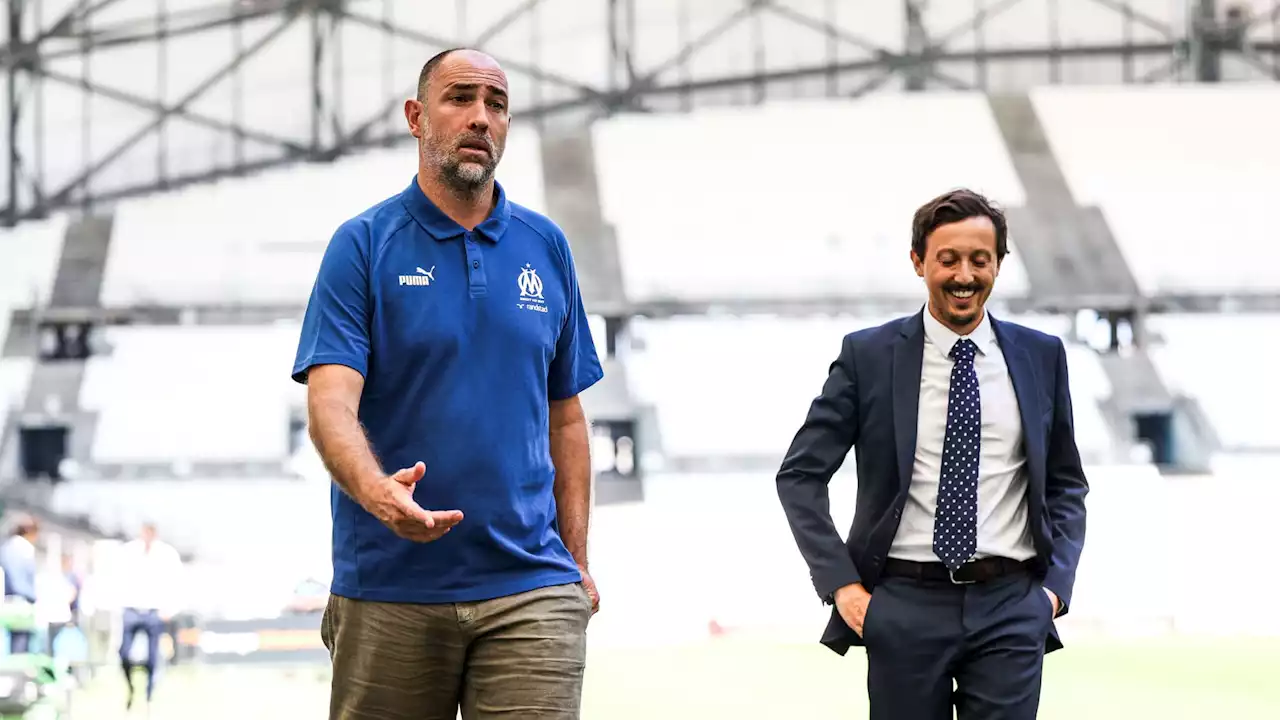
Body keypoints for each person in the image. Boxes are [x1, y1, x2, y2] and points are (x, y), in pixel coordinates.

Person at [293, 46, 603, 720]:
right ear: (415, 116)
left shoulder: (546, 246)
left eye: (496, 105)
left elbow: (566, 417)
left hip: (532, 587)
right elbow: (329, 401)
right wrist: (377, 491)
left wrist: (576, 563)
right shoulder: (364, 244)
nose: (480, 118)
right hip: (388, 587)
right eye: (460, 98)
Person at [775, 188, 1088, 720]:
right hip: (903, 605)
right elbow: (799, 476)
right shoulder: (868, 357)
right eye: (948, 259)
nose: (964, 275)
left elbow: (1065, 484)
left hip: (1011, 607)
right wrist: (843, 587)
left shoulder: (1042, 356)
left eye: (979, 260)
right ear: (919, 261)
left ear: (998, 264)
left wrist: (1053, 592)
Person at [114, 523, 183, 710]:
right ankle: (131, 690)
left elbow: (175, 581)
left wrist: (170, 607)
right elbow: (116, 578)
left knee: (153, 659)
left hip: (154, 612)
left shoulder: (166, 554)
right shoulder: (128, 551)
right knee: (124, 654)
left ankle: (148, 695)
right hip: (131, 610)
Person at [0, 514, 39, 654]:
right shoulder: (24, 549)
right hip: (21, 603)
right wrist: (34, 597)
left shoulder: (6, 547)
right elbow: (19, 582)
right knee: (20, 647)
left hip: (7, 601)